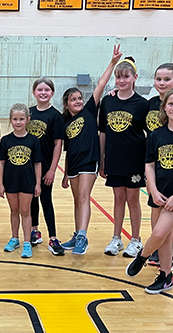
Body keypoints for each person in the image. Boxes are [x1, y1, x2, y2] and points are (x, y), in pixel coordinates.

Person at [125, 86, 173, 294]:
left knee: (159, 233)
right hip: (158, 193)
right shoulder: (156, 134)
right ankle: (166, 275)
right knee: (164, 237)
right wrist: (151, 189)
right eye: (171, 104)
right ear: (164, 106)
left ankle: (142, 256)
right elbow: (149, 165)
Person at [60, 45, 122, 255]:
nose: (78, 101)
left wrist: (112, 63)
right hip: (74, 164)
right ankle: (77, 233)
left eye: (79, 98)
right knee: (77, 200)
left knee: (84, 197)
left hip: (89, 161)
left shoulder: (89, 110)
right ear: (67, 104)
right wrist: (65, 174)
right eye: (73, 99)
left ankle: (83, 237)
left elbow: (101, 85)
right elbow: (67, 150)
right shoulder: (65, 123)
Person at [99, 56, 149, 259]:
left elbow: (150, 134)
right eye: (118, 77)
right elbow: (102, 132)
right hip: (113, 158)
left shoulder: (142, 104)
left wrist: (148, 163)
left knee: (132, 199)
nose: (121, 81)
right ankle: (116, 238)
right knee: (118, 198)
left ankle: (136, 240)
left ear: (134, 77)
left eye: (126, 77)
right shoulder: (108, 101)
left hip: (134, 160)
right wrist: (102, 159)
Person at [0, 103, 42, 258]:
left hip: (27, 182)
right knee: (14, 211)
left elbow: (37, 164)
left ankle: (27, 242)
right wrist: (0, 183)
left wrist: (37, 183)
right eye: (15, 119)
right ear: (10, 120)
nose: (18, 122)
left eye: (21, 119)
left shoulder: (33, 141)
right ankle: (15, 238)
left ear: (27, 120)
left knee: (25, 211)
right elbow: (1, 162)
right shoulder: (5, 141)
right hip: (11, 182)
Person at [146, 63, 173, 266]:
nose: (162, 83)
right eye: (158, 79)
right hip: (153, 164)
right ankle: (160, 249)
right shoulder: (150, 104)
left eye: (167, 79)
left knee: (169, 209)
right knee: (155, 207)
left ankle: (169, 252)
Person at [27, 78, 65, 256]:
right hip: (28, 166)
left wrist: (52, 169)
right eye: (39, 89)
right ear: (34, 92)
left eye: (47, 90)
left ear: (52, 93)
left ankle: (53, 237)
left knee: (46, 200)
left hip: (46, 167)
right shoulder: (29, 113)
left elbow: (58, 144)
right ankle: (34, 230)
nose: (43, 92)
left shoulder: (55, 116)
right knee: (32, 199)